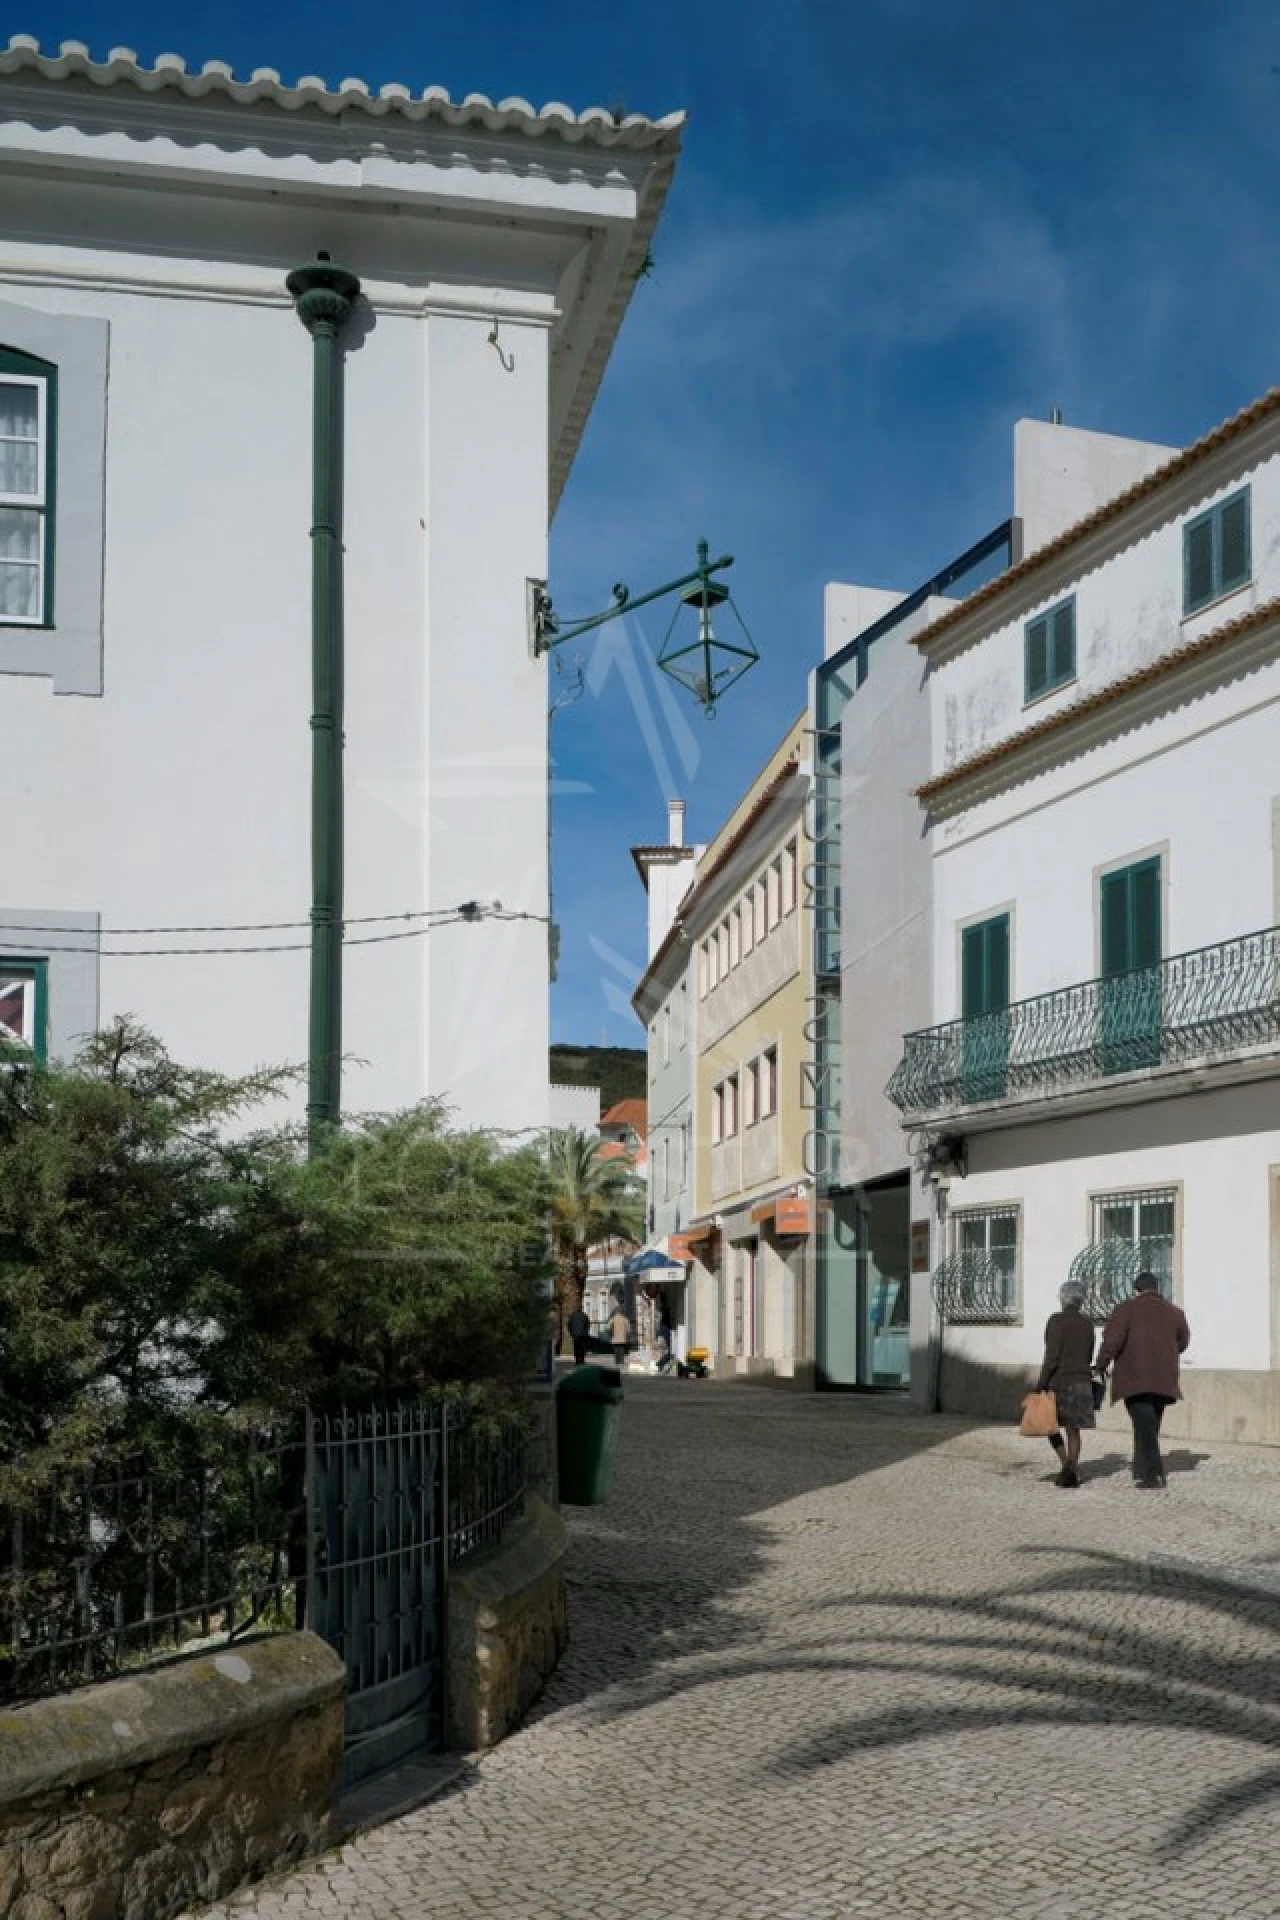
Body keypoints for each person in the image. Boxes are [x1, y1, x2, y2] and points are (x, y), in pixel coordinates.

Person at [1095, 1271, 1191, 1489]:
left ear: (1136, 1290)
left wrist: (1100, 1365)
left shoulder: (1125, 1310)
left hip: (1134, 1378)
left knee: (1144, 1424)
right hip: (1164, 1378)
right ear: (1156, 1289)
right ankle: (1141, 1468)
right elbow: (1183, 1341)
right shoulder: (1175, 1313)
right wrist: (1167, 1352)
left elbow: (1112, 1341)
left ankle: (1153, 1474)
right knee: (1150, 1423)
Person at [1036, 1278, 1096, 1488]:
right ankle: (1070, 1468)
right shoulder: (1088, 1324)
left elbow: (1051, 1356)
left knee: (1050, 1426)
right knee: (1074, 1430)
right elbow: (1089, 1355)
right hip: (1082, 1381)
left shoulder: (1056, 1321)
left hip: (1060, 1381)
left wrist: (1041, 1383)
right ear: (1081, 1300)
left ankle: (1067, 1466)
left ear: (1063, 1299)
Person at [607, 1302, 631, 1370]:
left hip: (614, 1339)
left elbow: (607, 1328)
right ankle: (621, 1364)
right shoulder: (625, 1319)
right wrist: (627, 1336)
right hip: (623, 1339)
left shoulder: (613, 1319)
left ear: (615, 1312)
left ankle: (617, 1365)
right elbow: (628, 1329)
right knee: (622, 1352)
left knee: (616, 1353)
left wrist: (610, 1334)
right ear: (621, 1312)